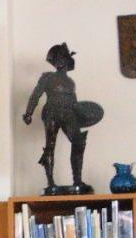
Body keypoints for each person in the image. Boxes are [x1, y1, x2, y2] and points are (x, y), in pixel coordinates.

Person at [23, 43, 100, 194]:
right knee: (50, 145)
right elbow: (36, 95)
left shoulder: (70, 83)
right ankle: (51, 182)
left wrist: (83, 115)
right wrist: (28, 113)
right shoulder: (47, 77)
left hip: (68, 113)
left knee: (78, 142)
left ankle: (77, 180)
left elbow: (74, 103)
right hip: (52, 112)